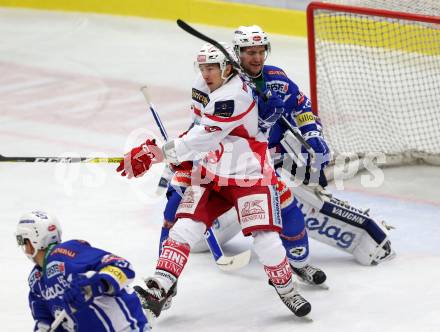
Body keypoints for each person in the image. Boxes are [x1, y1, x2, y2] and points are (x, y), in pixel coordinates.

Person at [117, 42, 312, 319]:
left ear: (228, 68)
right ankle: (160, 286)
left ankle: (286, 288)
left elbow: (204, 136)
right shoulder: (205, 84)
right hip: (210, 174)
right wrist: (179, 154)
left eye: (213, 68)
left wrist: (157, 153)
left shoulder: (235, 96)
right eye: (204, 67)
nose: (206, 74)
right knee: (183, 228)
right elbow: (197, 127)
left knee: (265, 237)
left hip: (248, 176)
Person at [232, 25, 394, 266]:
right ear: (237, 53)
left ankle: (367, 239)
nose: (257, 58)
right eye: (250, 52)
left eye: (261, 51)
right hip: (240, 164)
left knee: (309, 189)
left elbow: (301, 106)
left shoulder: (276, 78)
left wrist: (312, 134)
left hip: (276, 159)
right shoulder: (229, 88)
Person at [16, 210, 150, 332]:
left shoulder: (66, 252)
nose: (24, 247)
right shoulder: (37, 282)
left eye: (22, 240)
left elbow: (123, 266)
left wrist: (97, 284)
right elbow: (45, 322)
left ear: (32, 241)